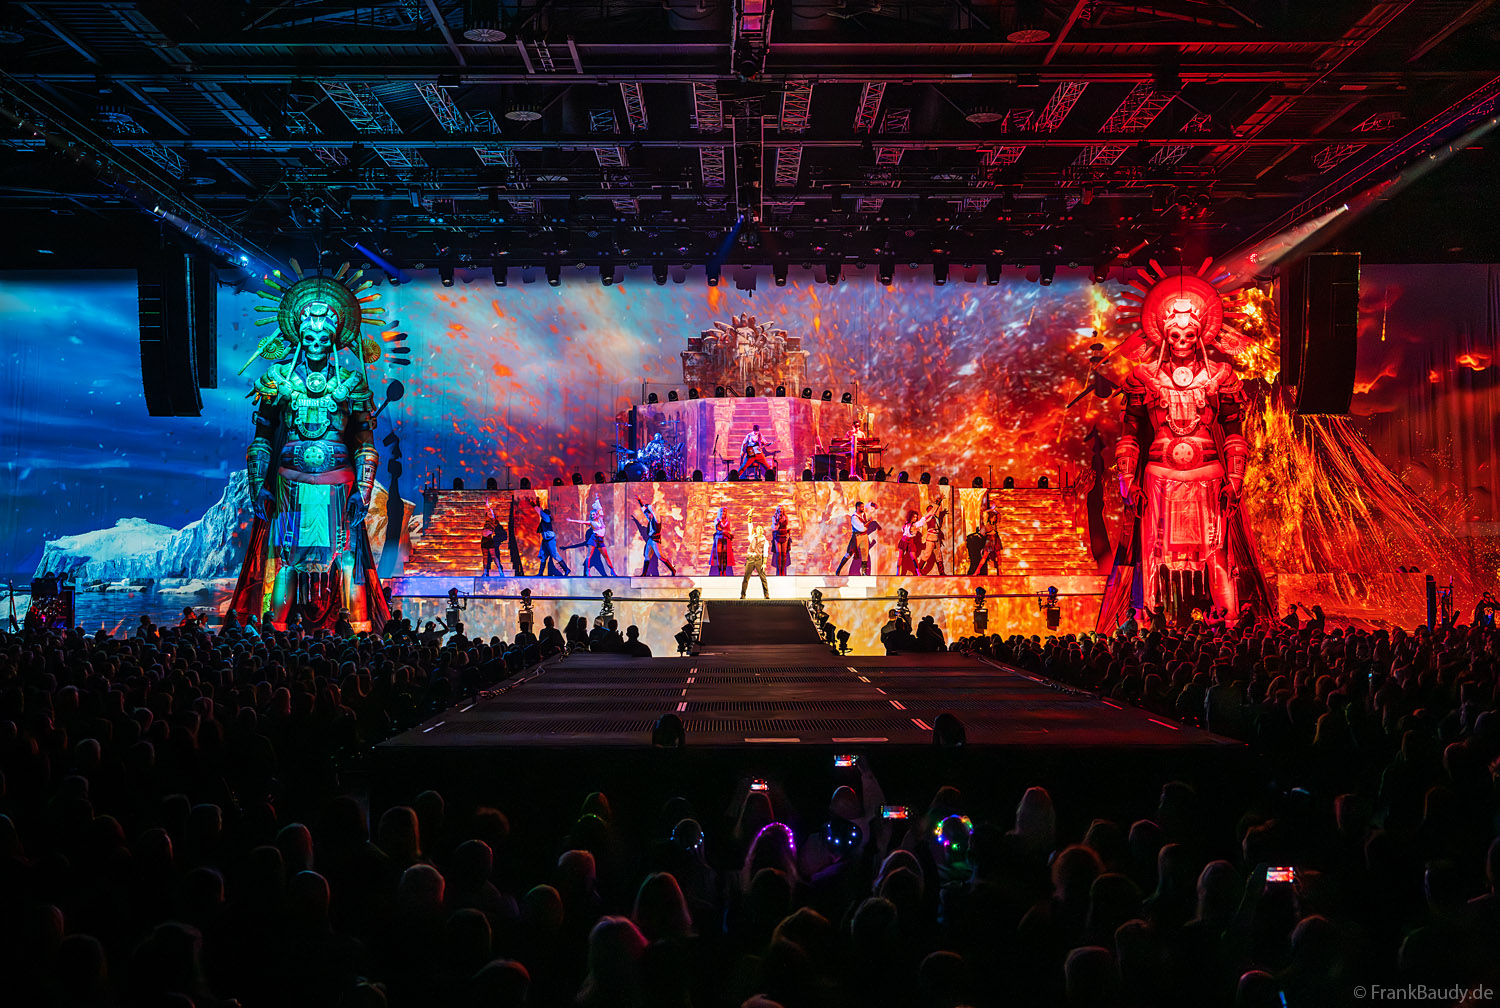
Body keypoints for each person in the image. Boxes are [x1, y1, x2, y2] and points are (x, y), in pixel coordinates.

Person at [231, 274, 389, 632]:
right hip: (289, 482)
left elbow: (365, 443)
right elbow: (262, 438)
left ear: (334, 340)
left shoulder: (352, 383)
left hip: (339, 483)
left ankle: (359, 633)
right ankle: (276, 631)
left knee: (347, 558)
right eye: (309, 337)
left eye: (323, 338)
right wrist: (258, 486)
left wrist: (363, 491)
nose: (316, 344)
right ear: (299, 337)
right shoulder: (276, 379)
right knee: (285, 560)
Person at [566, 497, 617, 577]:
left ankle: (612, 571)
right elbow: (581, 522)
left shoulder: (600, 519)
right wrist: (572, 521)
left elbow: (599, 508)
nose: (592, 516)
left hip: (600, 540)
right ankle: (587, 572)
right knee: (589, 556)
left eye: (594, 514)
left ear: (597, 515)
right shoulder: (591, 522)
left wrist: (597, 499)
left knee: (606, 556)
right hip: (594, 539)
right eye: (591, 515)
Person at [526, 494, 571, 577]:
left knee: (554, 554)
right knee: (543, 556)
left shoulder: (546, 517)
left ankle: (566, 569)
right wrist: (537, 502)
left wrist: (531, 502)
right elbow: (540, 510)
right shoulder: (545, 518)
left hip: (550, 540)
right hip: (545, 540)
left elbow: (539, 511)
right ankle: (540, 573)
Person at [633, 499, 676, 576]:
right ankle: (644, 573)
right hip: (650, 540)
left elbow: (653, 510)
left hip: (655, 541)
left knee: (660, 556)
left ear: (651, 514)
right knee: (647, 556)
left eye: (648, 514)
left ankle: (672, 570)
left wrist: (647, 505)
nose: (647, 516)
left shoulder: (657, 520)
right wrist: (640, 501)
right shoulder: (650, 519)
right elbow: (644, 511)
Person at [835, 501, 876, 575]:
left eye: (863, 507)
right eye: (861, 507)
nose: (863, 508)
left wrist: (873, 505)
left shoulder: (863, 514)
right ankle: (839, 569)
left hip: (864, 536)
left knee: (865, 554)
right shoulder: (854, 518)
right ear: (857, 507)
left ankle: (864, 572)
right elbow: (862, 528)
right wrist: (869, 521)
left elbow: (868, 507)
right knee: (849, 553)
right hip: (857, 537)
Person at [968, 497, 1002, 575]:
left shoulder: (995, 524)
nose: (995, 519)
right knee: (985, 556)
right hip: (989, 540)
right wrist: (990, 510)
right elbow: (984, 514)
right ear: (990, 518)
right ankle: (977, 571)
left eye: (995, 518)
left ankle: (1000, 571)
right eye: (993, 517)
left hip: (996, 540)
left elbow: (999, 515)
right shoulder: (987, 524)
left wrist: (994, 509)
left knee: (998, 556)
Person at [918, 494, 947, 575]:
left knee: (939, 555)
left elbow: (936, 511)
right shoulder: (927, 517)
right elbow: (933, 510)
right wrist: (937, 502)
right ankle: (918, 570)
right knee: (927, 554)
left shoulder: (936, 518)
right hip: (930, 537)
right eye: (930, 509)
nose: (932, 510)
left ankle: (941, 572)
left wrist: (941, 509)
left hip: (936, 538)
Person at [740, 524, 770, 600]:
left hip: (758, 560)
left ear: (763, 531)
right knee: (746, 577)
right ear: (756, 530)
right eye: (758, 529)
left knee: (763, 578)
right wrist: (750, 521)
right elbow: (750, 529)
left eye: (761, 529)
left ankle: (766, 594)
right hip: (750, 559)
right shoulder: (752, 537)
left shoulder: (765, 542)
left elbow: (765, 553)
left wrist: (764, 563)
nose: (759, 531)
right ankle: (743, 594)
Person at [711, 507, 735, 576]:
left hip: (726, 539)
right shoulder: (717, 520)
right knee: (719, 556)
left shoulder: (728, 521)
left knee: (725, 556)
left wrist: (728, 534)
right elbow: (717, 528)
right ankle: (719, 571)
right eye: (721, 511)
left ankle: (724, 570)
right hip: (719, 538)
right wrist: (724, 531)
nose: (723, 513)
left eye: (724, 511)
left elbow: (729, 530)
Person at [898, 510, 923, 576]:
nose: (915, 518)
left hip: (910, 542)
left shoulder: (916, 524)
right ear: (910, 516)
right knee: (900, 556)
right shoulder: (906, 524)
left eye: (916, 517)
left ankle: (918, 572)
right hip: (903, 541)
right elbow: (904, 531)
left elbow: (923, 520)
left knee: (914, 557)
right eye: (914, 517)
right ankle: (898, 572)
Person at [770, 505, 792, 576]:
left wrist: (788, 535)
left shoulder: (786, 517)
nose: (780, 510)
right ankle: (778, 570)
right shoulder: (774, 517)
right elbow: (775, 527)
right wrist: (778, 521)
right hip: (777, 537)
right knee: (778, 554)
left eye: (782, 509)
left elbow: (788, 527)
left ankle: (783, 570)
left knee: (784, 554)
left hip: (784, 536)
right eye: (779, 509)